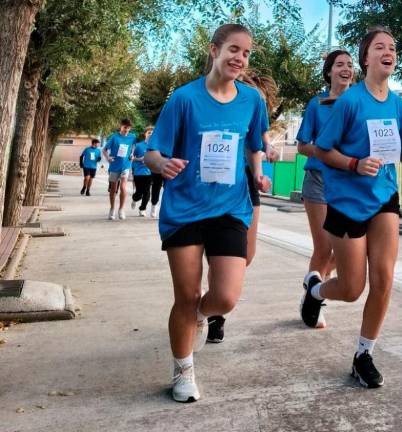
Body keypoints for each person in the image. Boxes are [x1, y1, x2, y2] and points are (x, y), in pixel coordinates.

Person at [300, 27, 402, 388]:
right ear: (367, 59)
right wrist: (354, 164)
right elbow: (323, 151)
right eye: (380, 47)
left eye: (392, 47)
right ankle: (315, 291)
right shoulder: (349, 102)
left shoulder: (398, 106)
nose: (388, 51)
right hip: (347, 201)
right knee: (351, 288)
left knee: (384, 279)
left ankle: (364, 354)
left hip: (384, 198)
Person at [144, 23, 269, 403]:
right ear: (214, 50)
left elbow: (254, 146)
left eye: (246, 53)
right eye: (234, 49)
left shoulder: (252, 100)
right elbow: (152, 152)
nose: (240, 58)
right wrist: (161, 165)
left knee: (226, 297)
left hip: (230, 207)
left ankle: (199, 316)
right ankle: (183, 370)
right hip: (184, 209)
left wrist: (260, 173)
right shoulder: (183, 99)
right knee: (185, 295)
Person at [207, 72, 278, 344]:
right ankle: (215, 316)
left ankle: (215, 295)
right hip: (219, 182)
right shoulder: (220, 107)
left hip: (247, 183)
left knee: (246, 254)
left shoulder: (255, 112)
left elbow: (262, 141)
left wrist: (262, 168)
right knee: (222, 251)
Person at [296, 49, 354, 298]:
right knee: (324, 248)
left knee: (350, 252)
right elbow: (301, 146)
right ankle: (312, 302)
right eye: (340, 64)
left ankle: (315, 287)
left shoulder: (358, 103)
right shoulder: (316, 104)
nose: (346, 69)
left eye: (350, 65)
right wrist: (325, 154)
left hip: (350, 184)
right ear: (329, 71)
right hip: (318, 181)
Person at [103, 119, 136, 220]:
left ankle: (121, 209)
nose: (127, 130)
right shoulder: (114, 137)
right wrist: (108, 158)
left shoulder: (132, 137)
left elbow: (134, 147)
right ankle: (112, 209)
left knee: (123, 187)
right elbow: (104, 150)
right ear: (121, 126)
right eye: (125, 127)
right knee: (113, 189)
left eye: (128, 128)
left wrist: (132, 155)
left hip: (126, 165)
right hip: (114, 166)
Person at [130, 126, 154, 217]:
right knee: (139, 192)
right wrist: (139, 159)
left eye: (152, 133)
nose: (150, 134)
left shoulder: (154, 146)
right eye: (149, 133)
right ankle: (134, 199)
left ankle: (142, 208)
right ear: (145, 134)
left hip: (149, 172)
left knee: (147, 192)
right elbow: (132, 158)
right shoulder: (139, 145)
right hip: (138, 172)